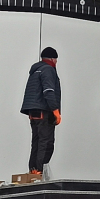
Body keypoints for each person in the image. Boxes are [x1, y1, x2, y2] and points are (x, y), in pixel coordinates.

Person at [20, 48, 61, 177]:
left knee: (37, 141)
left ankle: (33, 170)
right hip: (44, 111)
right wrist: (56, 111)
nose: (56, 62)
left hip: (34, 111)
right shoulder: (48, 70)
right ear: (52, 59)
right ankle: (39, 171)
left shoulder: (36, 70)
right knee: (46, 142)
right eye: (56, 60)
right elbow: (48, 91)